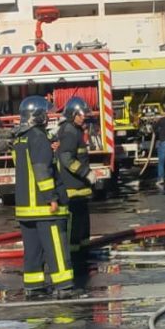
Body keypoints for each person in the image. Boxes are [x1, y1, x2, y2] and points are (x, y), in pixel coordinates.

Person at [12, 95, 75, 296]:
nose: (48, 117)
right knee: (56, 247)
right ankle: (64, 286)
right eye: (45, 113)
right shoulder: (39, 137)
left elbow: (24, 165)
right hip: (44, 207)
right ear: (37, 116)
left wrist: (50, 150)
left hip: (26, 208)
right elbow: (41, 170)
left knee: (32, 250)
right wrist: (51, 198)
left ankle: (33, 286)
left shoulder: (20, 138)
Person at [55, 96, 94, 263]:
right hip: (72, 190)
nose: (84, 117)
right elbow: (66, 159)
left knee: (82, 227)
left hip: (79, 189)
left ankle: (84, 256)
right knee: (74, 228)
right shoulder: (69, 131)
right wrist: (86, 173)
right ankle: (73, 260)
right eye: (81, 114)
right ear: (73, 114)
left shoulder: (75, 130)